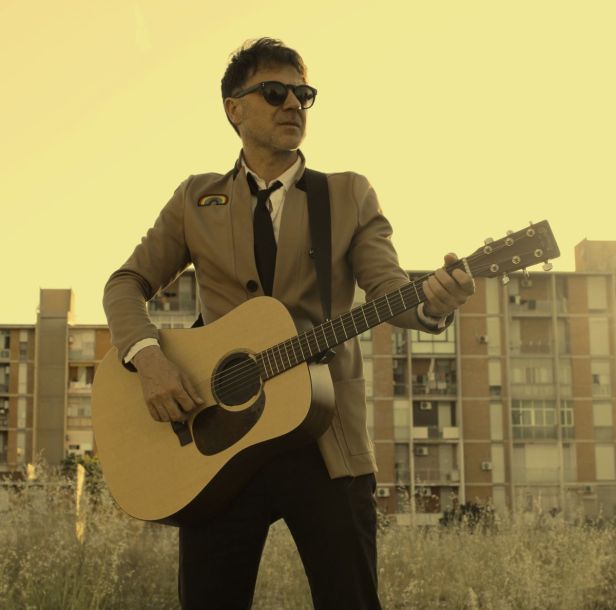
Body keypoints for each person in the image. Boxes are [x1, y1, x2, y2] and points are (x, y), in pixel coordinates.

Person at [103, 37, 475, 610]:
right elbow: (125, 283)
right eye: (275, 92)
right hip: (216, 445)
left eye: (304, 94)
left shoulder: (347, 193)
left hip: (326, 438)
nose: (294, 104)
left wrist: (434, 303)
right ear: (234, 108)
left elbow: (389, 291)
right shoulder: (196, 198)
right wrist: (148, 359)